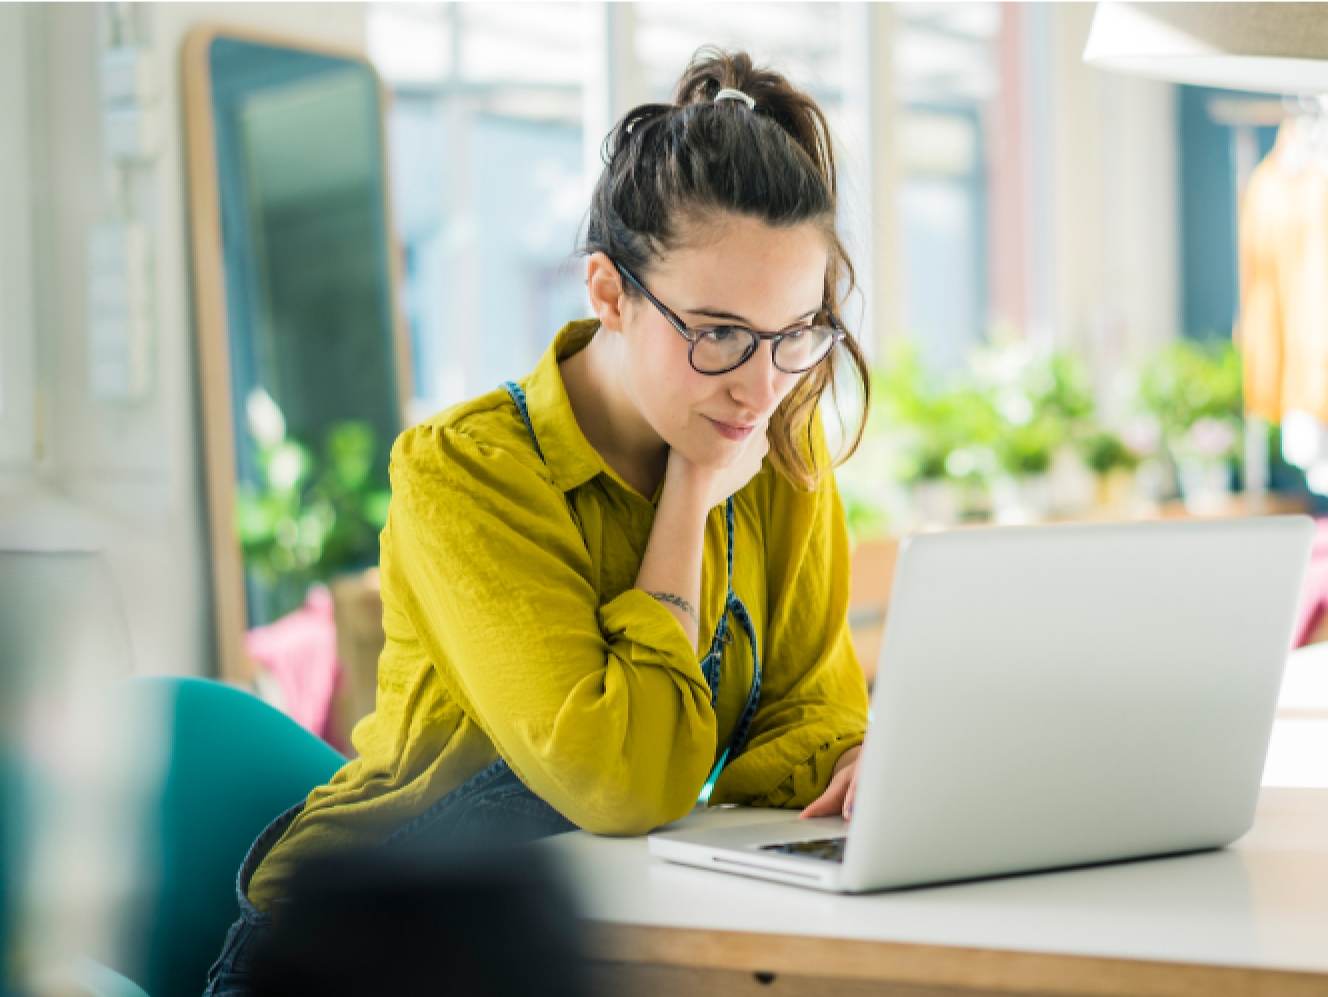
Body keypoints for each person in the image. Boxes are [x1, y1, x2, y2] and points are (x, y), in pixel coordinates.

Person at [205, 46, 871, 997]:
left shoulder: (776, 453)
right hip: (359, 953)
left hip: (582, 936)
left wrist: (854, 759)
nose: (762, 385)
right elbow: (624, 780)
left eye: (794, 335)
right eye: (719, 333)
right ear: (608, 292)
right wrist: (690, 496)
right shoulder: (461, 474)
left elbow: (806, 713)